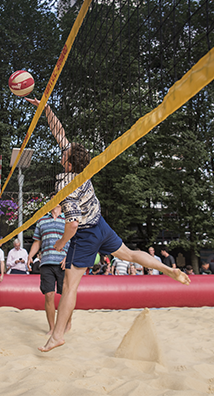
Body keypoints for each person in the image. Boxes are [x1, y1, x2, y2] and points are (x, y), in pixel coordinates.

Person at [25, 98, 190, 352]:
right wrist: (46, 108)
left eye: (64, 154)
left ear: (68, 163)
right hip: (101, 224)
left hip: (86, 234)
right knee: (131, 254)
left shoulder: (66, 186)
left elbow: (72, 225)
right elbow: (60, 133)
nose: (62, 151)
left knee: (69, 287)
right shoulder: (84, 167)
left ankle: (57, 335)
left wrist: (60, 244)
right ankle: (167, 270)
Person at [27, 200, 70, 336]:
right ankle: (52, 328)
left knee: (66, 295)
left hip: (63, 261)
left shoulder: (68, 220)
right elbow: (37, 241)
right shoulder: (42, 220)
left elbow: (74, 241)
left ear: (60, 204)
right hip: (46, 262)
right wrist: (30, 256)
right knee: (49, 295)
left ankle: (67, 323)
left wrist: (68, 257)